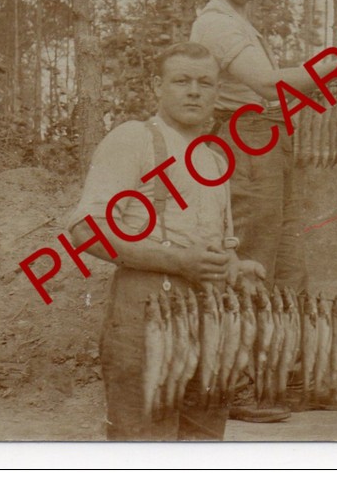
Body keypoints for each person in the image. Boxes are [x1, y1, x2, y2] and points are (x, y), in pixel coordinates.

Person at [190, 0, 337, 411]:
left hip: (272, 139)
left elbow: (279, 89)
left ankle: (291, 382)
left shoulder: (239, 22)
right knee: (250, 261)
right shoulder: (215, 23)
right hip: (245, 140)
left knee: (289, 267)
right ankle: (232, 388)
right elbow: (267, 83)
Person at [66, 42, 264, 440]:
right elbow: (85, 232)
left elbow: (216, 245)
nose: (194, 91)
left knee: (203, 443)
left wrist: (235, 266)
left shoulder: (213, 158)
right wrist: (178, 261)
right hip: (148, 313)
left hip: (210, 317)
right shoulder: (134, 140)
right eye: (182, 81)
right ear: (158, 86)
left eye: (205, 83)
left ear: (217, 92)